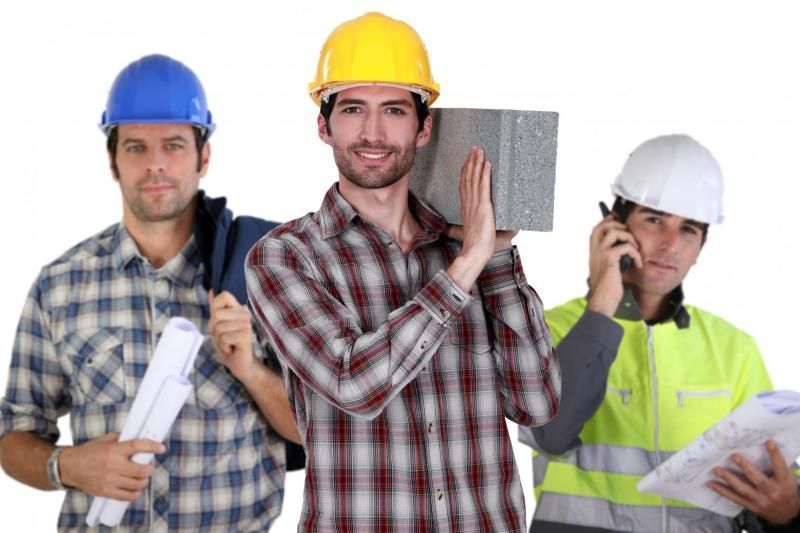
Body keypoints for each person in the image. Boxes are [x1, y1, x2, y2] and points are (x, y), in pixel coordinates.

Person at [244, 11, 561, 532]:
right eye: (352, 109)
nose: (373, 132)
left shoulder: (472, 249)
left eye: (394, 109)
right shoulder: (285, 257)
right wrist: (465, 269)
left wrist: (497, 257)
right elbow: (354, 385)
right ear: (324, 125)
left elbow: (536, 403)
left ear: (423, 128)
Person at [0, 54, 301, 532]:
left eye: (174, 145)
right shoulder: (60, 286)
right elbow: (14, 437)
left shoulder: (262, 272)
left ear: (204, 156)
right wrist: (70, 465)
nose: (156, 164)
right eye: (136, 147)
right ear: (113, 160)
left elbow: (319, 430)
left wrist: (249, 369)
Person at [519, 134, 800, 532]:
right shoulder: (547, 328)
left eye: (688, 229)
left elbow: (770, 480)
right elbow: (550, 432)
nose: (670, 244)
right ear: (614, 225)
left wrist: (788, 513)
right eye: (654, 219)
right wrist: (602, 305)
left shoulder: (735, 349)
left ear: (701, 245)